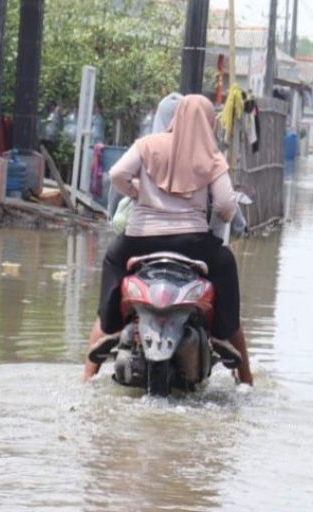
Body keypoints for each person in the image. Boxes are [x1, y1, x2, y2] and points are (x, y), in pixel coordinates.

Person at [83, 95, 253, 385]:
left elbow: (117, 175)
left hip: (140, 239)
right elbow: (226, 205)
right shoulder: (211, 156)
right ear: (210, 122)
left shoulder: (147, 145)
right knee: (225, 264)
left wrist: (139, 193)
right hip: (193, 242)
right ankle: (226, 341)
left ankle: (106, 339)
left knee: (112, 259)